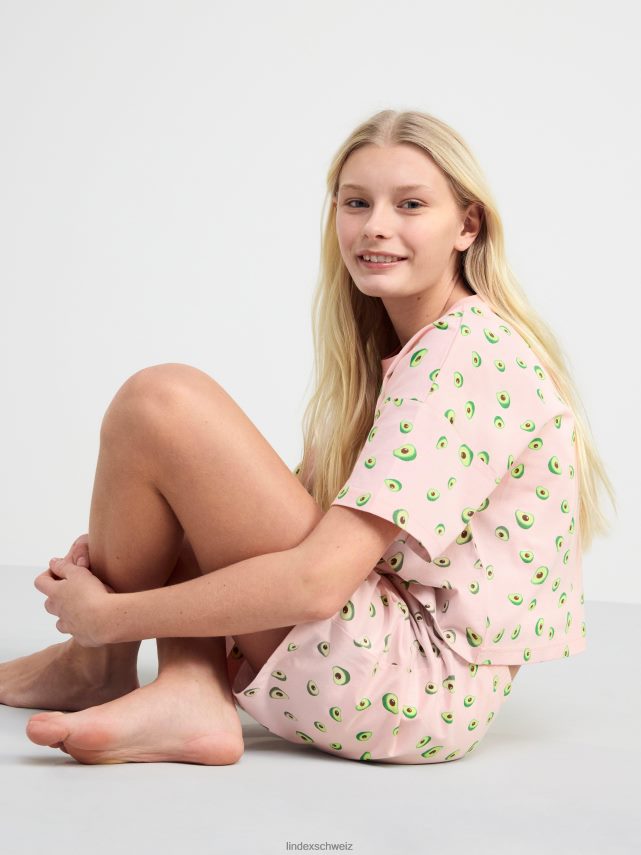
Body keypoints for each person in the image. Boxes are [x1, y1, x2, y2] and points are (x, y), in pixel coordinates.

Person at [0, 108, 614, 766]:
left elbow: (316, 582)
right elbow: (252, 520)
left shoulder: (462, 352)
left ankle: (97, 661)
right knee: (179, 470)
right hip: (390, 674)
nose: (375, 225)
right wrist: (142, 536)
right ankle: (188, 690)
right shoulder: (408, 352)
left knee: (161, 401)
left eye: (410, 204)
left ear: (467, 226)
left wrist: (111, 614)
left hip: (410, 686)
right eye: (356, 202)